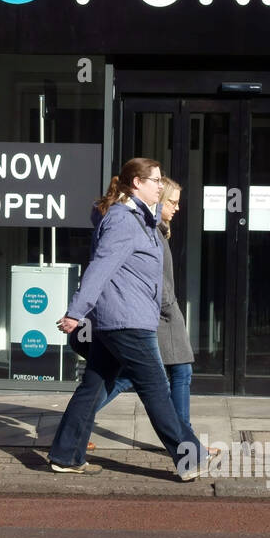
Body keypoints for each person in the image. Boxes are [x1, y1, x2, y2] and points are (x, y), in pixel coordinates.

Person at [48, 158, 207, 481]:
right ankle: (190, 457)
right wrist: (75, 312)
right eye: (156, 181)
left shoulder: (139, 219)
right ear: (137, 183)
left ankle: (66, 455)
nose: (161, 186)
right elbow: (101, 266)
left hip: (121, 318)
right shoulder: (123, 220)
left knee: (92, 387)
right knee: (156, 389)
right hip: (126, 320)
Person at [81, 178, 208, 451]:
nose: (177, 208)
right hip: (156, 316)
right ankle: (188, 446)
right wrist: (167, 308)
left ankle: (77, 426)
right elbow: (150, 279)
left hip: (153, 314)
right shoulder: (146, 230)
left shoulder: (155, 229)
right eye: (172, 202)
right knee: (173, 375)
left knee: (134, 376)